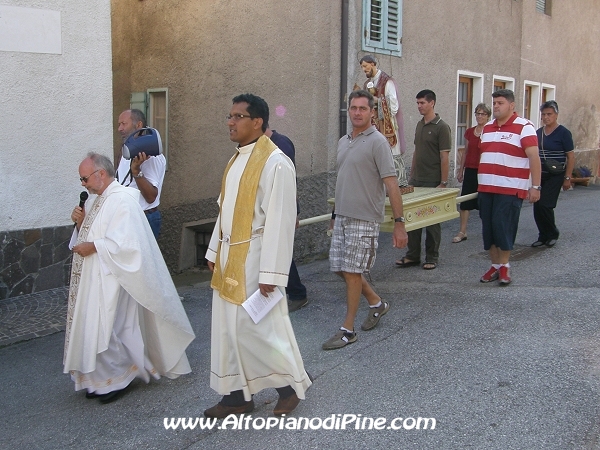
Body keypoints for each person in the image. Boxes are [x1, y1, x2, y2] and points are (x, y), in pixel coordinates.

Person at [205, 94, 311, 418]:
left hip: (255, 260)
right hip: (230, 257)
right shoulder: (235, 159)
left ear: (258, 122)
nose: (230, 122)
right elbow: (225, 209)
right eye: (230, 115)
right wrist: (213, 249)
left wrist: (273, 273)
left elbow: (280, 219)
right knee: (227, 330)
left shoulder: (276, 162)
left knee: (258, 329)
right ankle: (236, 397)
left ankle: (289, 388)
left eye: (238, 116)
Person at [65, 153, 195, 403]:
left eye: (84, 178)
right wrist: (80, 225)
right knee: (93, 325)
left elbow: (129, 244)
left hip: (116, 277)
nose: (83, 184)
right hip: (95, 275)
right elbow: (89, 236)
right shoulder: (96, 201)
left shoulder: (123, 199)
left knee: (111, 327)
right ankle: (97, 381)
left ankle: (119, 378)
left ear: (100, 174)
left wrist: (95, 247)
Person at [323, 90, 408, 351]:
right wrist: (335, 216)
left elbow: (392, 184)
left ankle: (347, 330)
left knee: (352, 272)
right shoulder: (344, 141)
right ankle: (376, 303)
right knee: (339, 268)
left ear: (372, 112)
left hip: (364, 219)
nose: (357, 112)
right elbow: (343, 181)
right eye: (353, 108)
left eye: (363, 108)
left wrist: (399, 222)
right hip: (344, 217)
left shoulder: (378, 142)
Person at [478, 89, 541, 285]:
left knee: (503, 227)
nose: (496, 106)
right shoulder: (487, 128)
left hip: (510, 188)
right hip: (486, 188)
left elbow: (534, 158)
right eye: (494, 103)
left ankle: (505, 266)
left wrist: (536, 186)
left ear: (512, 105)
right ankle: (494, 266)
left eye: (500, 103)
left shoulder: (525, 127)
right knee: (488, 229)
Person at [396, 90, 451, 270]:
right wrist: (410, 176)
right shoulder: (420, 125)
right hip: (417, 179)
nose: (419, 106)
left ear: (432, 103)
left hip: (433, 180)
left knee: (432, 221)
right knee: (412, 219)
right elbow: (417, 152)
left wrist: (443, 182)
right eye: (418, 103)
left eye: (422, 103)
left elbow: (445, 157)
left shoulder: (442, 127)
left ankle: (432, 257)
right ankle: (412, 255)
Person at [264, 127, 308, 312]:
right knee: (276, 251)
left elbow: (289, 183)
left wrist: (293, 212)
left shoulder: (280, 144)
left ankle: (297, 294)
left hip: (281, 208)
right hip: (268, 209)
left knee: (281, 252)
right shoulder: (262, 145)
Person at [116, 109, 166, 238]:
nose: (119, 128)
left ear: (138, 125)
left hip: (144, 218)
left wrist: (136, 171)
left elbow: (151, 197)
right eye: (119, 124)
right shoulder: (128, 150)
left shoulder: (153, 155)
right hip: (127, 217)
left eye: (123, 124)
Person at [359, 55, 408, 186]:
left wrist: (377, 101)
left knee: (390, 152)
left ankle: (396, 183)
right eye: (362, 67)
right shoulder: (366, 84)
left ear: (373, 64)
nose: (364, 69)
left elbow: (393, 107)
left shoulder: (387, 82)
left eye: (365, 66)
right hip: (373, 126)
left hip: (387, 125)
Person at [531, 100, 575, 248]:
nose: (546, 117)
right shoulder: (538, 133)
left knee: (545, 205)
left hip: (556, 174)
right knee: (537, 206)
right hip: (540, 174)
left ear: (556, 115)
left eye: (549, 114)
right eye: (543, 114)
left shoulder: (563, 133)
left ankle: (552, 233)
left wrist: (567, 178)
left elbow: (570, 156)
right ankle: (542, 236)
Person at [453, 103, 492, 243]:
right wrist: (460, 169)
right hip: (470, 169)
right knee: (465, 201)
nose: (479, 116)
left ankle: (488, 231)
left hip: (484, 171)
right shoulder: (470, 131)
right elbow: (466, 151)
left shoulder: (490, 131)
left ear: (488, 116)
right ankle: (462, 231)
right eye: (478, 113)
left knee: (484, 202)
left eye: (483, 114)